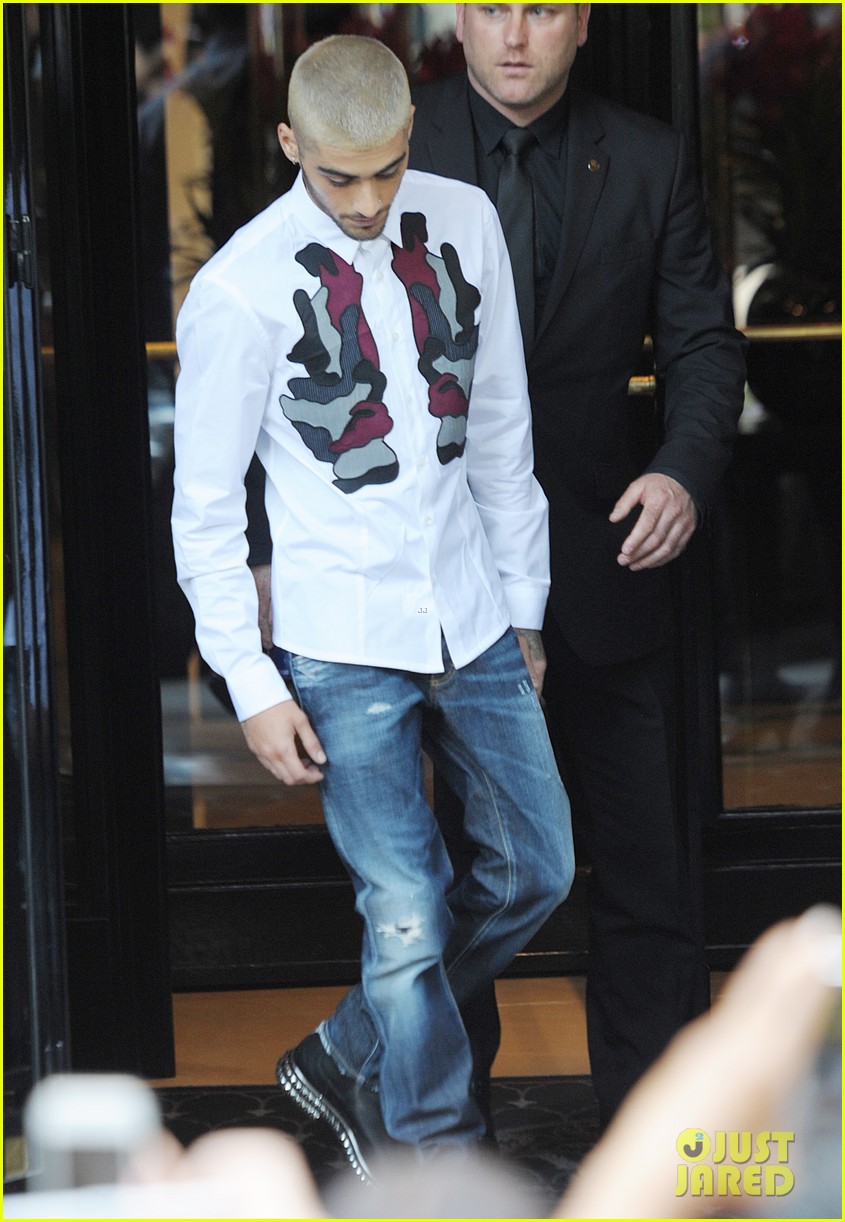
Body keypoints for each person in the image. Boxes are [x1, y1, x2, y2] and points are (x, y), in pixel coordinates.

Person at [171, 33, 574, 1179]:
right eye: (337, 175)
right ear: (289, 143)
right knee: (404, 910)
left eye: (387, 169)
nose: (364, 199)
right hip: (338, 640)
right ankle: (433, 1159)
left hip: (473, 611)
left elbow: (500, 434)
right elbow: (204, 511)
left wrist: (524, 608)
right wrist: (251, 682)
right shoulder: (237, 289)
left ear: (412, 138)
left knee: (537, 868)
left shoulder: (466, 222)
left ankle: (349, 1046)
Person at [405, 2, 748, 1129]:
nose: (514, 36)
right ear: (457, 18)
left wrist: (681, 470)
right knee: (440, 881)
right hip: (437, 574)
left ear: (584, 22)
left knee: (644, 870)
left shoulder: (648, 159)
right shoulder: (393, 146)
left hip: (604, 557)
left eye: (543, 9)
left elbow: (702, 344)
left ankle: (657, 1135)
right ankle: (445, 1142)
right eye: (491, 8)